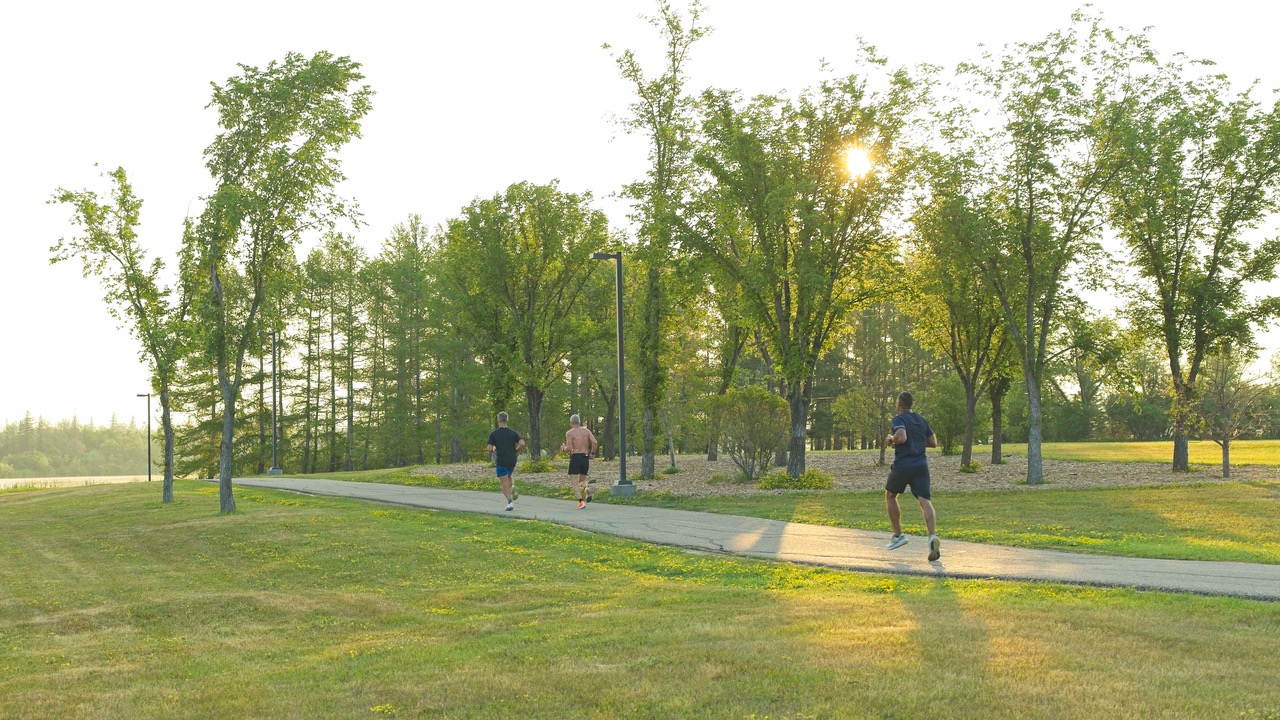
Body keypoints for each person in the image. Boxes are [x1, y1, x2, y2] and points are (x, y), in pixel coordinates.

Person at [883, 391, 941, 561]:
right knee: (925, 501)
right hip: (921, 466)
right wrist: (917, 442)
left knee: (890, 495)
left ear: (899, 404)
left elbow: (901, 437)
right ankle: (932, 536)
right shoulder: (921, 419)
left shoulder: (898, 419)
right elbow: (933, 442)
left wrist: (891, 439)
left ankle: (898, 535)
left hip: (903, 465)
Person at [486, 412, 525, 512]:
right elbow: (522, 443)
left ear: (498, 420)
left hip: (501, 460)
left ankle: (510, 502)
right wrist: (516, 450)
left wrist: (494, 449)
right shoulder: (513, 433)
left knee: (504, 483)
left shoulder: (494, 434)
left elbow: (489, 448)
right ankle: (513, 486)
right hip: (512, 459)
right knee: (508, 475)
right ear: (507, 420)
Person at [560, 414, 598, 509]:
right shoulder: (586, 431)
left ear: (571, 423)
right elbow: (595, 442)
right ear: (579, 422)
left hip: (576, 457)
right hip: (585, 457)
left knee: (574, 482)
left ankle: (581, 502)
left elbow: (569, 448)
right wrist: (592, 453)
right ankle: (586, 488)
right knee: (582, 480)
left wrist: (563, 448)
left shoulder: (570, 433)